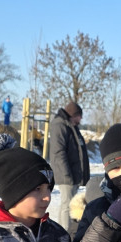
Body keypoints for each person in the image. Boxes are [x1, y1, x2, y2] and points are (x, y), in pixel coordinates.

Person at [48, 100, 90, 234]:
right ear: (73, 114)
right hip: (66, 173)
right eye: (79, 115)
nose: (81, 119)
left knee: (67, 203)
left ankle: (64, 230)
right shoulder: (60, 125)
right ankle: (65, 232)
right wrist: (66, 174)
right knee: (67, 204)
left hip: (72, 173)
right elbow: (58, 152)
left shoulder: (70, 125)